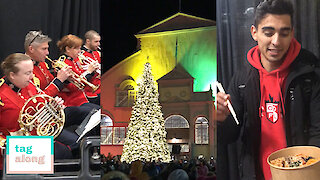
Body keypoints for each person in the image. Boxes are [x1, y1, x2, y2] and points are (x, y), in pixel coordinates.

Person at [216, 0, 320, 179]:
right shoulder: (242, 77)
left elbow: (317, 131)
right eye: (268, 32)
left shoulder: (309, 72)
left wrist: (306, 171)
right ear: (254, 33)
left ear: (292, 33)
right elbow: (230, 136)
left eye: (284, 33)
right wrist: (220, 119)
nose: (276, 42)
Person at [0, 53, 78, 171]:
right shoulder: (2, 95)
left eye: (31, 72)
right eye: (27, 73)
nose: (32, 77)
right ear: (12, 75)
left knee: (76, 145)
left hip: (35, 137)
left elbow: (37, 106)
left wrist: (52, 106)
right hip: (14, 149)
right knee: (64, 154)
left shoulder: (28, 84)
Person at [24, 30, 99, 127]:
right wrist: (59, 80)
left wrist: (67, 80)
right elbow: (38, 98)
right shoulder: (26, 69)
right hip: (45, 116)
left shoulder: (42, 64)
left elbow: (55, 84)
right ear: (31, 49)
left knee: (96, 114)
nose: (47, 53)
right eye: (44, 49)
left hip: (57, 106)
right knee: (92, 113)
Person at [79, 30, 101, 105]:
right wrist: (91, 71)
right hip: (90, 91)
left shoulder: (97, 53)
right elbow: (81, 76)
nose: (98, 44)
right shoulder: (80, 55)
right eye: (96, 41)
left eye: (99, 41)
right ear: (88, 41)